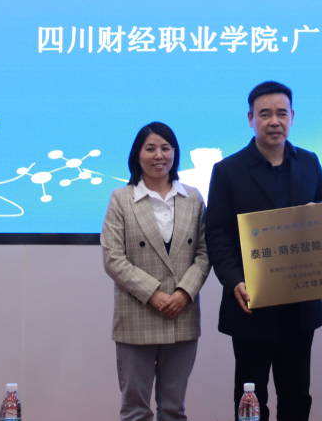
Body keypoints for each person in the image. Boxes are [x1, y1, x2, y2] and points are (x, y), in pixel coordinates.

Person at [206, 81, 322, 421]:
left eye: (281, 113)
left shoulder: (308, 162)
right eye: (265, 114)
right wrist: (234, 281)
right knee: (250, 398)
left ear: (293, 117)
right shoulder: (228, 170)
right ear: (251, 119)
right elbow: (217, 233)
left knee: (296, 395)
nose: (274, 121)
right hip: (250, 303)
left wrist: (320, 212)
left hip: (299, 303)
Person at [101, 121, 211, 421]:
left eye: (165, 148)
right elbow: (113, 258)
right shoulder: (121, 198)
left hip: (182, 314)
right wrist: (154, 295)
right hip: (137, 315)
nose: (158, 155)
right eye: (150, 148)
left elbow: (204, 253)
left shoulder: (193, 198)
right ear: (137, 155)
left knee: (174, 409)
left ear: (175, 152)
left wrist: (184, 293)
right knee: (135, 410)